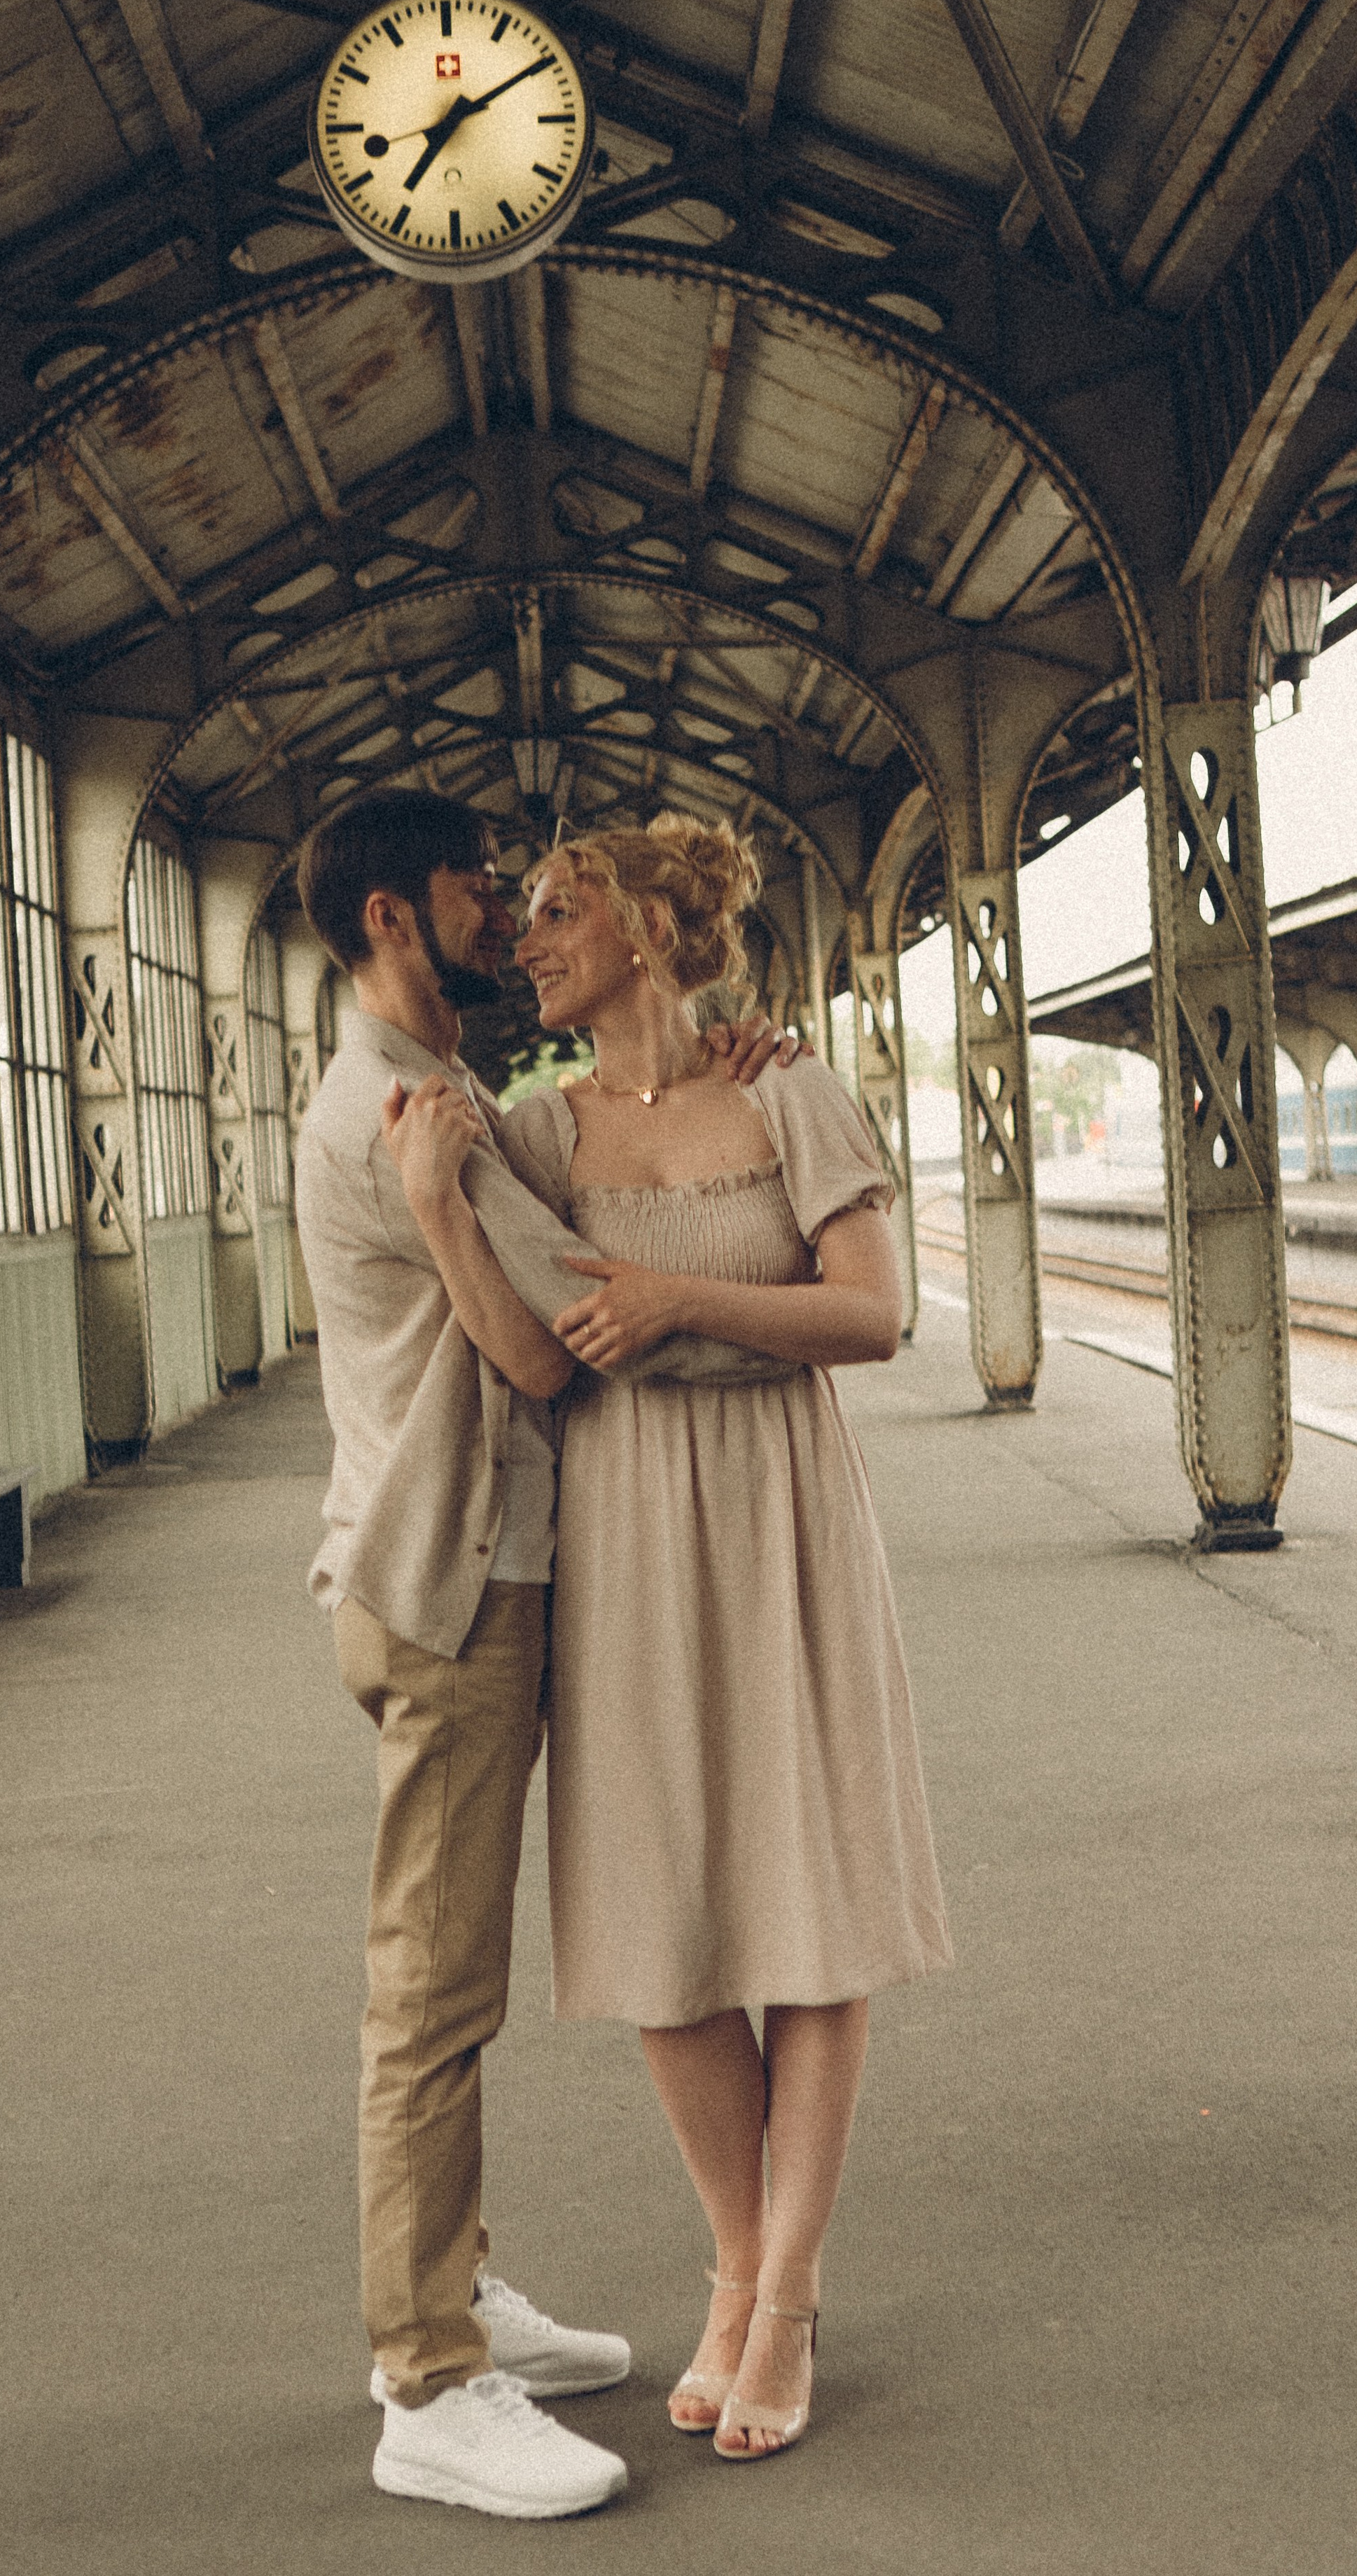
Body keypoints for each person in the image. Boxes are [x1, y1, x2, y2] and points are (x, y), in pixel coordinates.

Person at [398, 814, 952, 2464]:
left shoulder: (785, 1088)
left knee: (809, 1898)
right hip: (627, 1534)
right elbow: (541, 1357)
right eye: (525, 919)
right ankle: (731, 2259)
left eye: (558, 911)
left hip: (785, 1526)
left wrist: (680, 1301)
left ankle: (779, 2298)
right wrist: (440, 1204)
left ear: (648, 922)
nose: (529, 940)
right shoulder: (536, 1133)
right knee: (664, 1912)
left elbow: (871, 1311)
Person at [291, 791, 793, 2522]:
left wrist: (719, 1066)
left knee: (452, 1980)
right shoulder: (395, 1118)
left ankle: (458, 2283)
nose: (499, 912)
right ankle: (427, 2376)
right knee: (430, 1996)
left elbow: (567, 1162)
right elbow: (558, 1336)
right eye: (466, 888)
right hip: (448, 1591)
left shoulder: (450, 1100)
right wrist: (778, 1285)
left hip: (462, 1569)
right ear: (385, 919)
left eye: (512, 888)